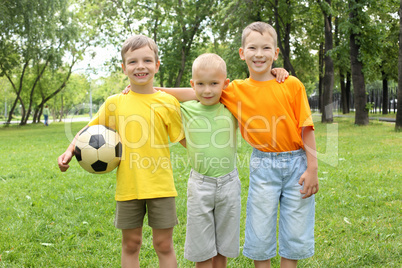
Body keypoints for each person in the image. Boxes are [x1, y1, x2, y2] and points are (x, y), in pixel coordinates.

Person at [141, 21, 319, 268]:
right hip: (263, 163)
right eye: (252, 48)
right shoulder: (233, 89)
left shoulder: (291, 84)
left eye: (266, 48)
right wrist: (149, 90)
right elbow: (195, 91)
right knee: (260, 228)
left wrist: (312, 169)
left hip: (297, 164)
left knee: (295, 228)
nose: (259, 54)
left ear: (276, 53)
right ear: (242, 53)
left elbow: (306, 127)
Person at [57, 34, 186, 268]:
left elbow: (185, 139)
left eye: (147, 60)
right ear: (123, 67)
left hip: (161, 185)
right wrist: (69, 150)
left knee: (164, 244)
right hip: (128, 187)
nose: (140, 66)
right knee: (131, 244)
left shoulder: (168, 102)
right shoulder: (115, 102)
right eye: (133, 61)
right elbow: (89, 129)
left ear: (157, 65)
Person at [181, 53, 241, 267]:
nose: (207, 90)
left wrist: (277, 71)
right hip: (200, 185)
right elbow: (157, 96)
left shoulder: (232, 106)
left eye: (214, 84)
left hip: (229, 184)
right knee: (202, 250)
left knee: (222, 249)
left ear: (225, 83)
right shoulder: (185, 108)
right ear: (192, 84)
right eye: (201, 84)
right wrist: (142, 89)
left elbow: (258, 89)